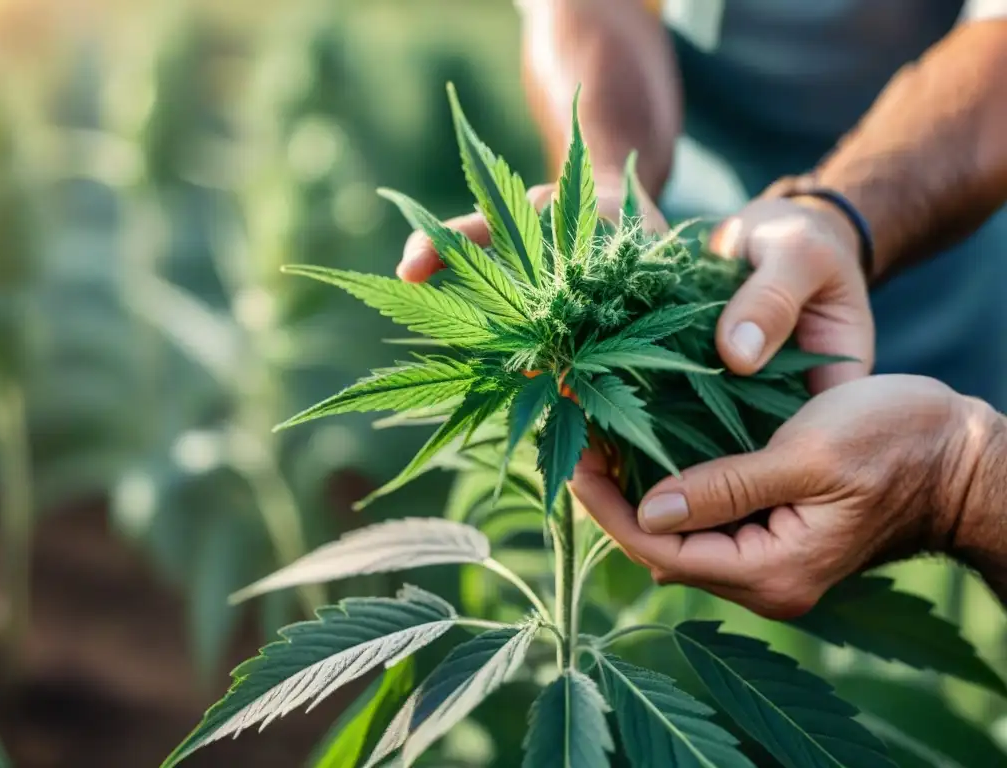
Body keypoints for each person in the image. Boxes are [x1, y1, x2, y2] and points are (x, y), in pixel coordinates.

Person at [396, 1, 1007, 614]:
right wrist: (606, 183)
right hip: (703, 271)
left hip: (959, 218)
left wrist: (958, 484)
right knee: (731, 561)